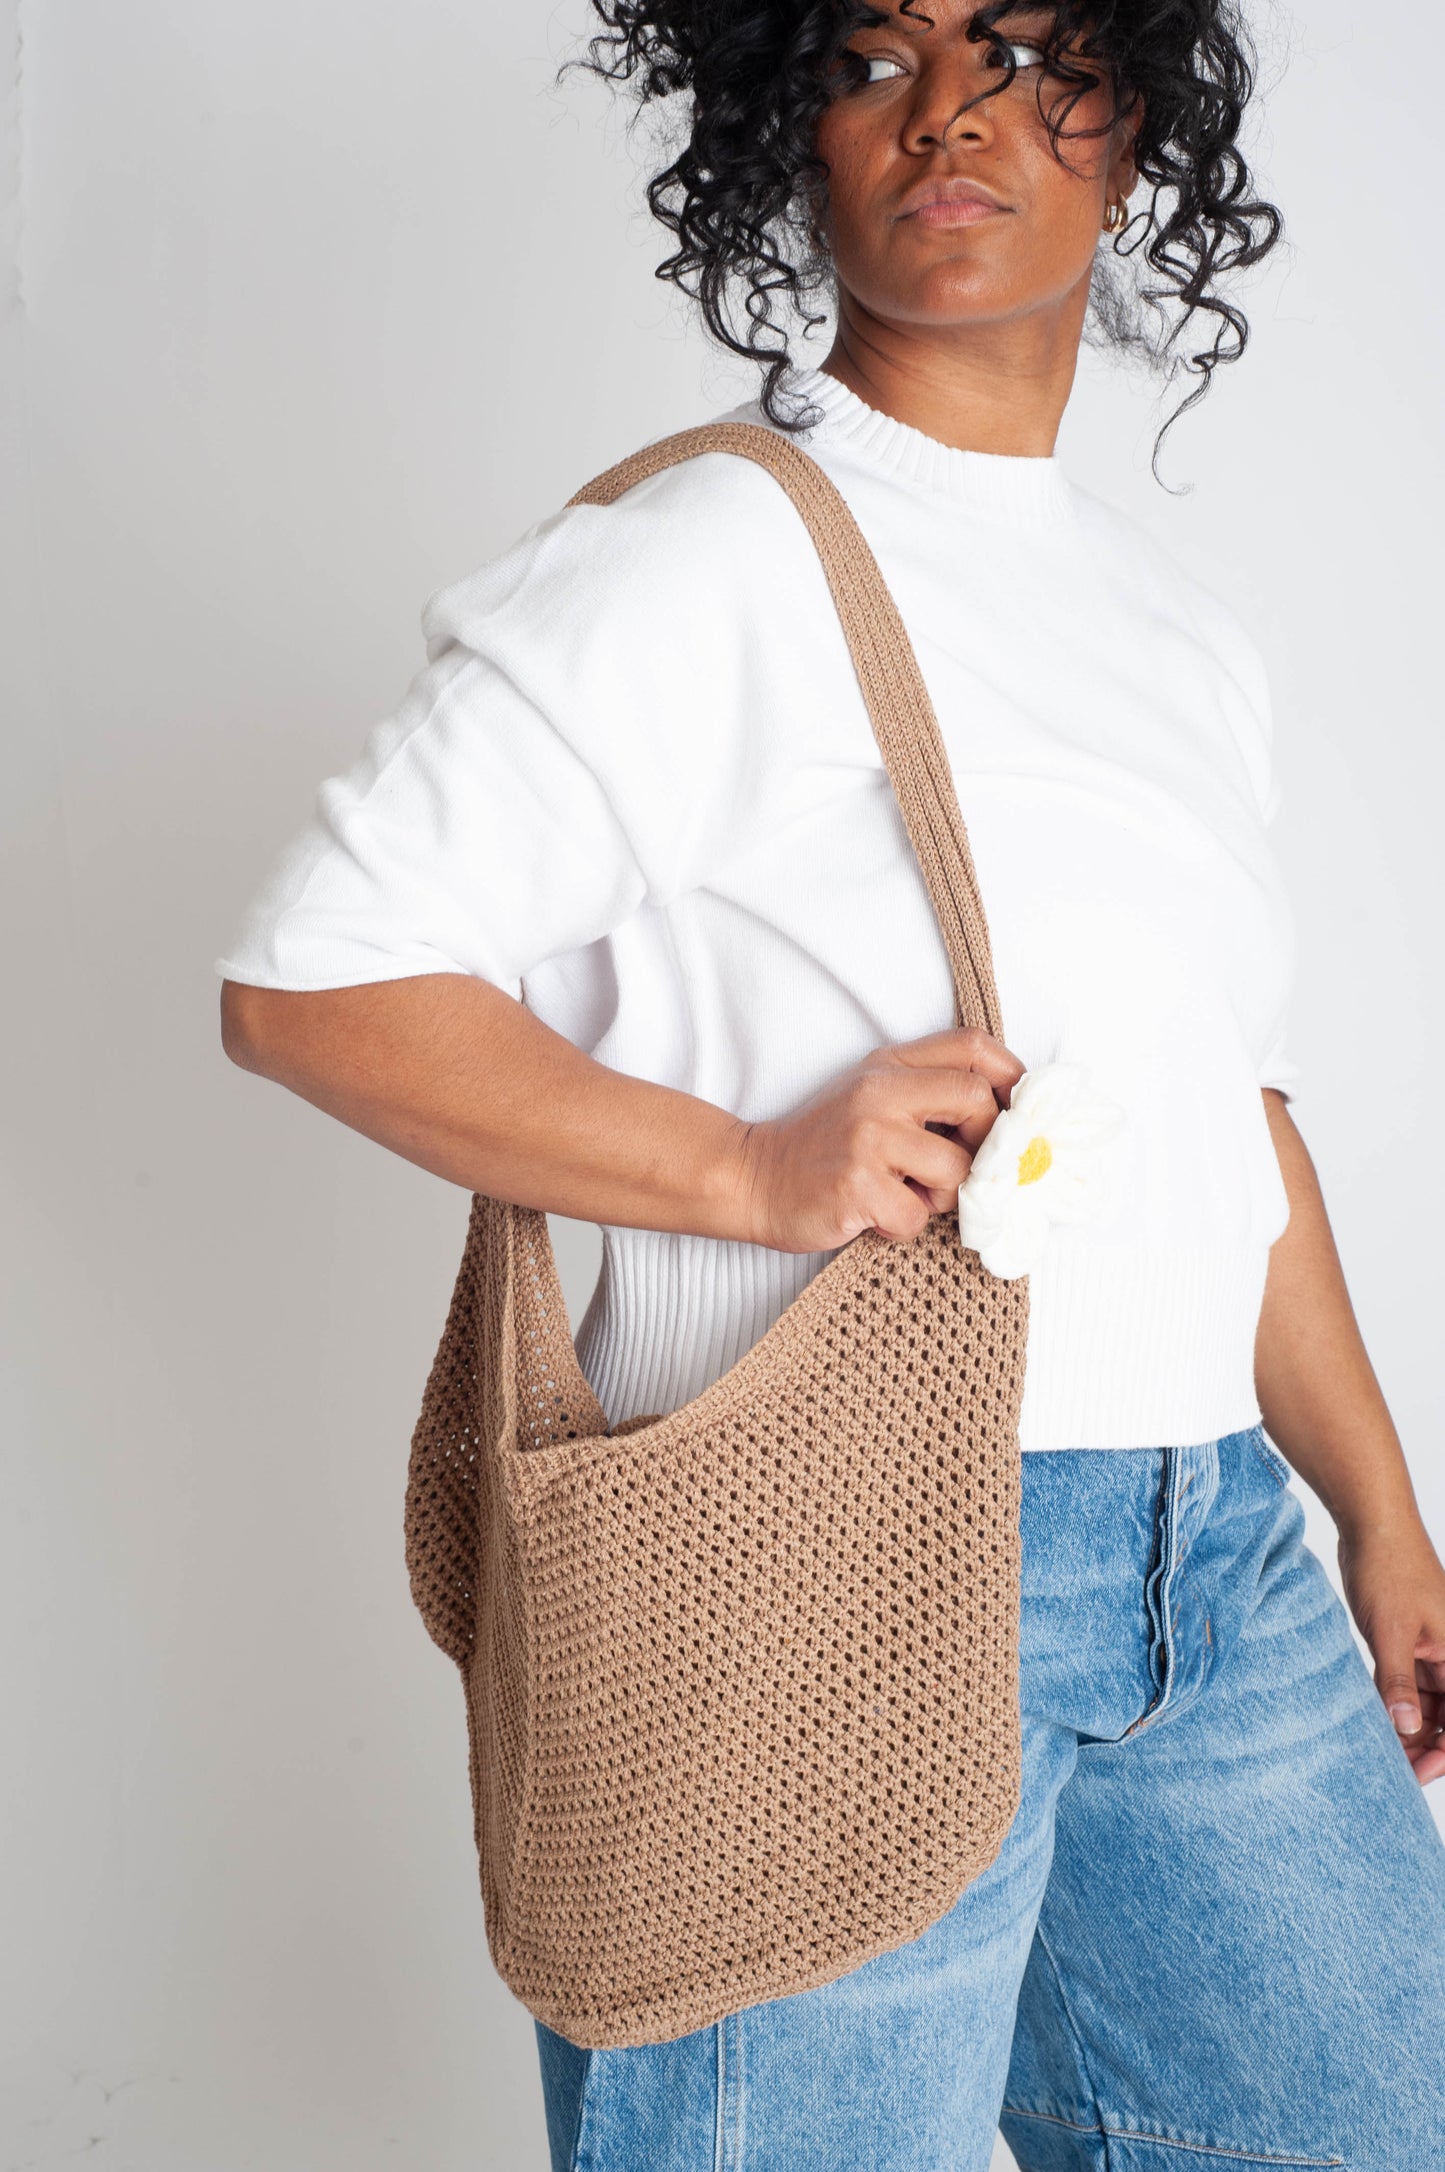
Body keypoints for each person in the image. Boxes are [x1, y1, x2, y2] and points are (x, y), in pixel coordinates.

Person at [217, 1, 1445, 2164]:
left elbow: (1230, 1116)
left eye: (1022, 49)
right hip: (813, 1566)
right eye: (874, 59)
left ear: (1129, 129)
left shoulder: (1180, 640)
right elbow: (313, 980)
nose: (948, 109)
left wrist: (1379, 1514)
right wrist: (751, 1170)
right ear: (792, 137)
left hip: (1210, 1554)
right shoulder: (709, 552)